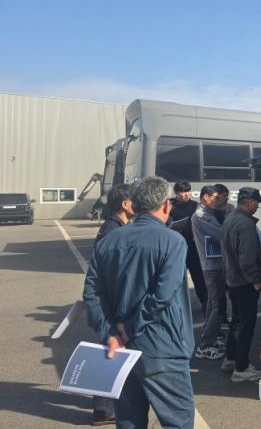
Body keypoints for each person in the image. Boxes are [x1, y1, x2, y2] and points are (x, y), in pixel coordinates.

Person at [83, 177, 195, 428]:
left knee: (128, 421)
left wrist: (110, 332)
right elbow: (163, 294)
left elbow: (92, 291)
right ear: (166, 205)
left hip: (120, 350)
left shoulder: (109, 240)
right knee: (178, 421)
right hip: (163, 345)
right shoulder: (172, 240)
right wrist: (130, 327)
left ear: (133, 205)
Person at [90, 184, 135, 426]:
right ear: (126, 204)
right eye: (135, 199)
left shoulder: (115, 226)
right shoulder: (113, 231)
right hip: (112, 304)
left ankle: (106, 405)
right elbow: (112, 273)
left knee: (112, 352)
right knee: (111, 352)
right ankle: (103, 409)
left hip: (110, 302)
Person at [220, 187, 261, 382]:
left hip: (232, 279)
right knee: (247, 325)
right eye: (256, 203)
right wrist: (255, 280)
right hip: (245, 282)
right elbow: (247, 259)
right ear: (249, 202)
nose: (257, 207)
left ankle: (230, 358)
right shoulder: (246, 224)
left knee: (236, 322)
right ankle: (242, 367)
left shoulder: (230, 219)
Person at [191, 184, 230, 360]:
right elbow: (221, 234)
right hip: (212, 267)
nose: (218, 201)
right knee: (218, 306)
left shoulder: (209, 213)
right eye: (215, 198)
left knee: (212, 304)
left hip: (216, 264)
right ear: (205, 197)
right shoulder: (200, 216)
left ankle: (209, 337)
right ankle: (205, 346)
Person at [170, 180, 207, 314]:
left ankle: (205, 304)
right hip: (176, 249)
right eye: (182, 192)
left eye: (188, 191)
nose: (186, 194)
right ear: (176, 193)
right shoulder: (170, 206)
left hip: (193, 247)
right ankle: (177, 307)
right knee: (177, 279)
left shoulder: (196, 206)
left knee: (199, 278)